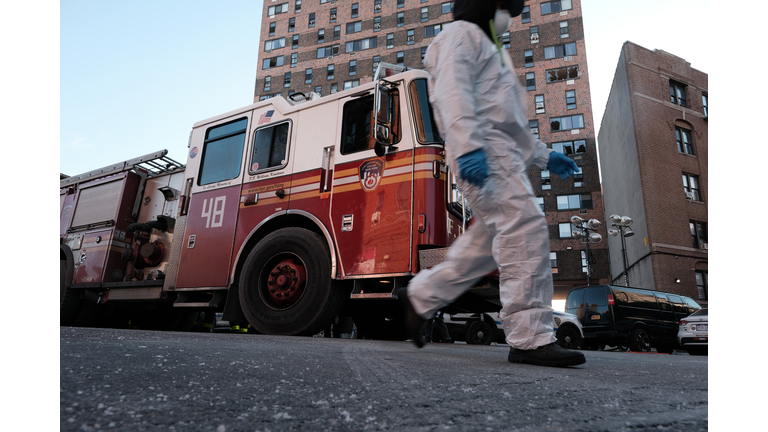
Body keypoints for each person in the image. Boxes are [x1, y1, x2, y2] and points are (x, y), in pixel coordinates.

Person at [401, 0, 585, 367]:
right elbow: (453, 95)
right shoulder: (459, 36)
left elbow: (510, 120)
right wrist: (468, 147)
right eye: (505, 8)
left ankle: (418, 298)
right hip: (486, 156)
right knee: (524, 228)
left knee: (482, 250)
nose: (509, 19)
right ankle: (530, 338)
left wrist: (546, 156)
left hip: (499, 157)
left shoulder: (494, 51)